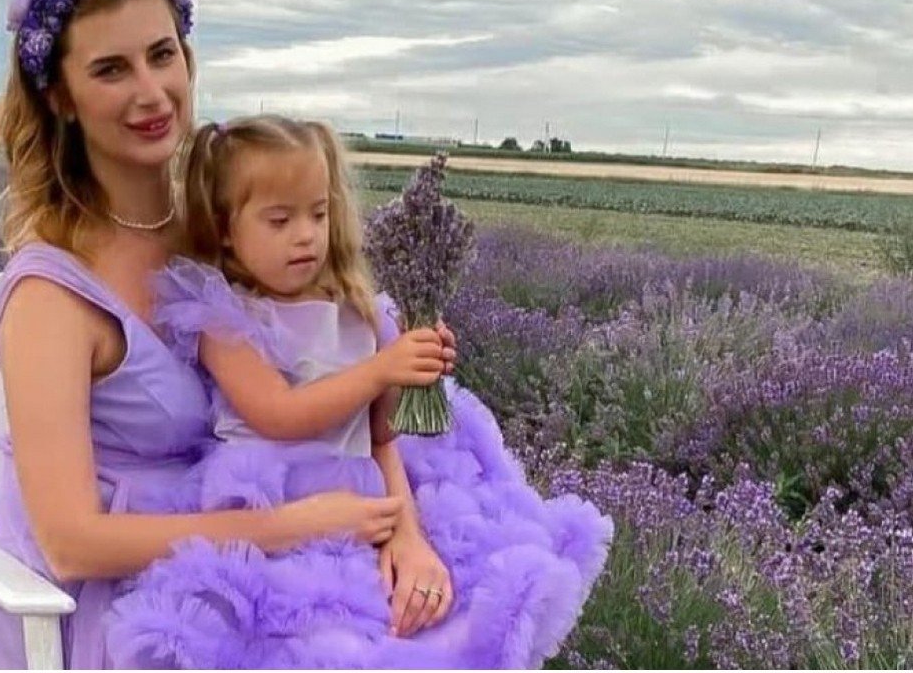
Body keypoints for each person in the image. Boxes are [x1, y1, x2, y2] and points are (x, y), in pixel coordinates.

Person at [0, 0, 433, 667]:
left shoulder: (230, 237)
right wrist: (292, 528)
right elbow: (70, 543)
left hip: (259, 544)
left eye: (162, 55)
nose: (151, 92)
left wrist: (403, 535)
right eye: (111, 69)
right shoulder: (50, 296)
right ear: (60, 97)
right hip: (116, 600)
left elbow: (357, 416)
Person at [101, 115, 615, 668]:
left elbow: (378, 434)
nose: (305, 234)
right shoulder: (225, 318)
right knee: (317, 643)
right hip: (278, 515)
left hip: (364, 502)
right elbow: (279, 414)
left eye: (318, 214)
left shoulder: (355, 310)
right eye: (280, 220)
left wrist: (411, 375)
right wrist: (379, 370)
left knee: (442, 614)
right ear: (226, 228)